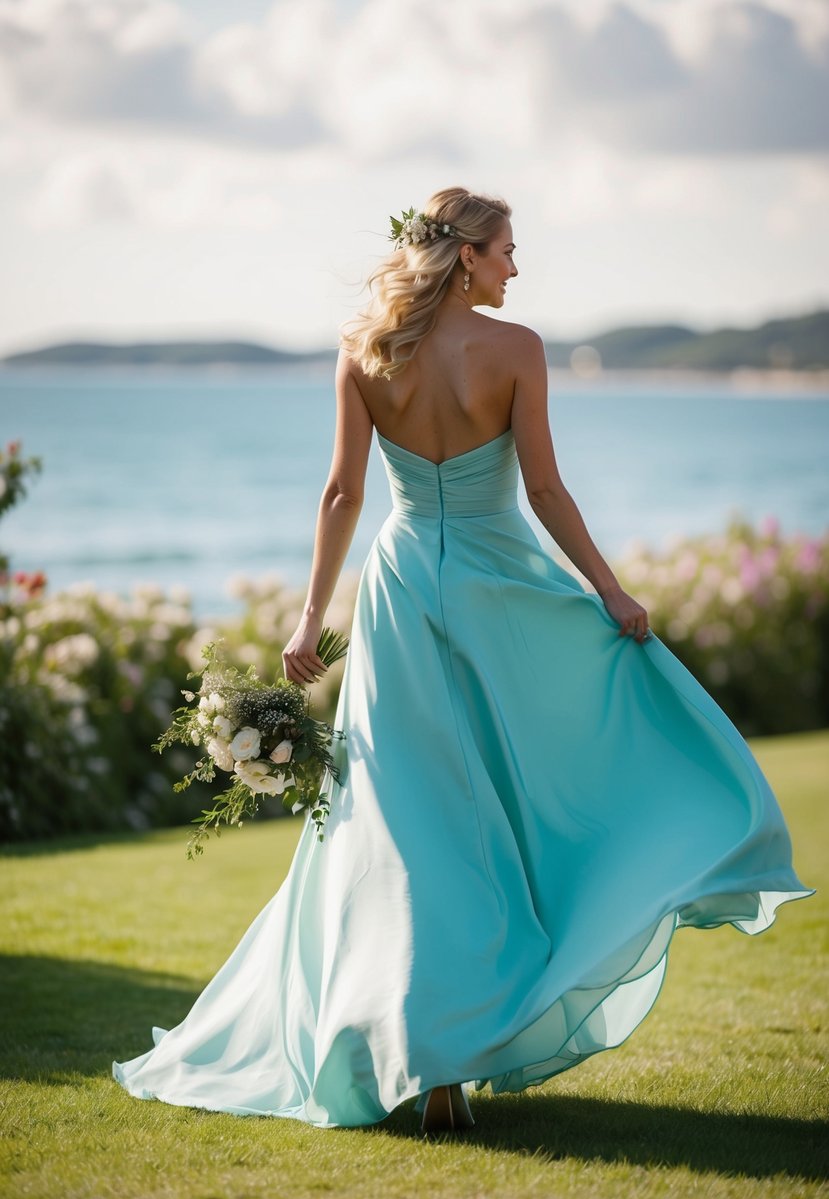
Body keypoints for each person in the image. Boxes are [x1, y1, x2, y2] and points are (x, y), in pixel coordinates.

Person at [113, 186, 814, 1135]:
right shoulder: (516, 350)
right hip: (499, 589)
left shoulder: (365, 348)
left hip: (401, 589)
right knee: (519, 797)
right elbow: (546, 487)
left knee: (411, 821)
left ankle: (431, 1056)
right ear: (468, 256)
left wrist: (308, 620)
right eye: (508, 250)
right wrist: (607, 591)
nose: (517, 267)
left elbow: (339, 495)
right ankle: (454, 1045)